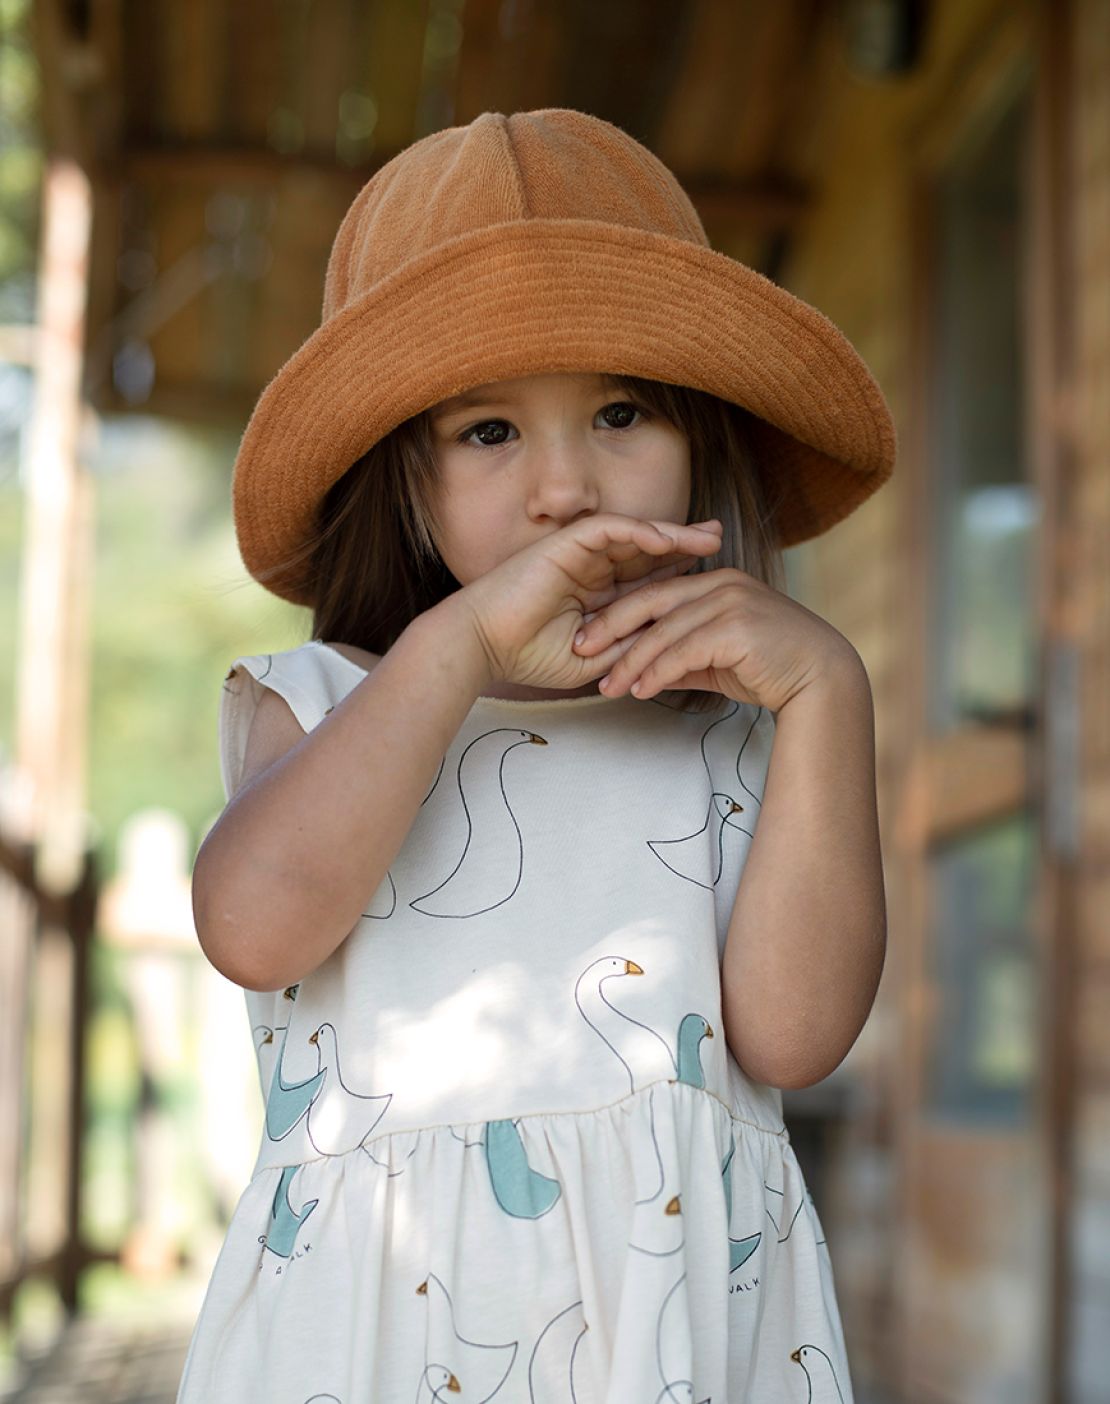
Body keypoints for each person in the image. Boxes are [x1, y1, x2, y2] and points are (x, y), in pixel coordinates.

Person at [177, 108, 894, 1403]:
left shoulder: (742, 738)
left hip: (672, 1340)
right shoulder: (329, 708)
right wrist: (449, 653)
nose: (564, 486)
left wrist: (829, 693)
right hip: (376, 1345)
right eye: (488, 432)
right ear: (401, 480)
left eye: (620, 411)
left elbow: (791, 1039)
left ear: (698, 448)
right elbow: (254, 931)